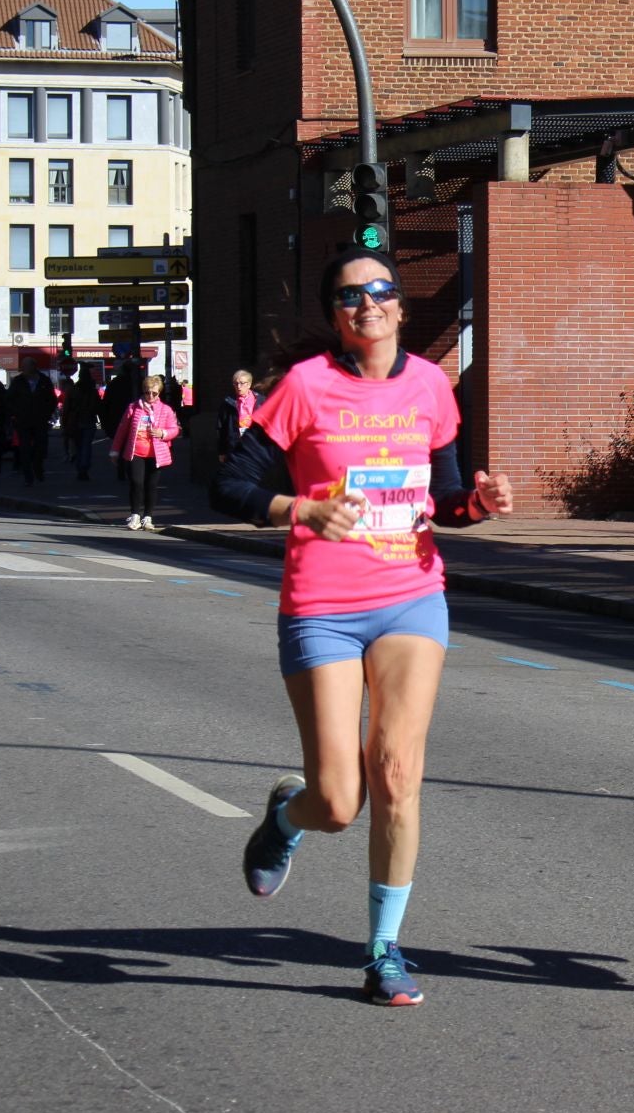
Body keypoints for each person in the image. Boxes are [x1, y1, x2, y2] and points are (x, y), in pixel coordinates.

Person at [211, 247, 513, 1007]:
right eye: (349, 296)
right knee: (340, 802)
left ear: (402, 308)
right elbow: (229, 481)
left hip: (412, 594)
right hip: (321, 604)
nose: (367, 304)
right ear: (334, 316)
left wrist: (475, 505)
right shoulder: (305, 388)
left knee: (398, 775)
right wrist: (298, 509)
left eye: (380, 291)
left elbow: (440, 497)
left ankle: (384, 952)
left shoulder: (431, 386)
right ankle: (287, 817)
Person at [111, 374, 180, 531]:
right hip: (136, 451)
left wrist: (163, 433)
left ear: (159, 393)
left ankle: (147, 517)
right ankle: (135, 515)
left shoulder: (166, 410)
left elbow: (174, 429)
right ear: (143, 391)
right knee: (136, 482)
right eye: (148, 392)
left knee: (151, 485)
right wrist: (115, 450)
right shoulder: (133, 408)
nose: (150, 396)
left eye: (154, 393)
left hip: (156, 453)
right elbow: (122, 430)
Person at [8, 356, 59, 484]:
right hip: (23, 420)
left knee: (40, 447)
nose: (23, 369)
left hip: (40, 419)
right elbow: (9, 399)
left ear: (33, 366)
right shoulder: (18, 381)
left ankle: (38, 467)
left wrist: (47, 414)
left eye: (26, 366)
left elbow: (51, 399)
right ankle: (28, 477)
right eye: (23, 366)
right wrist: (15, 414)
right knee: (24, 448)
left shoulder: (44, 381)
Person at [215, 369, 261, 462]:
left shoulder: (260, 401)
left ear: (249, 384)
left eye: (242, 383)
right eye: (236, 384)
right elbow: (221, 428)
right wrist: (222, 452)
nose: (238, 387)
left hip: (255, 445)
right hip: (235, 446)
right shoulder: (228, 402)